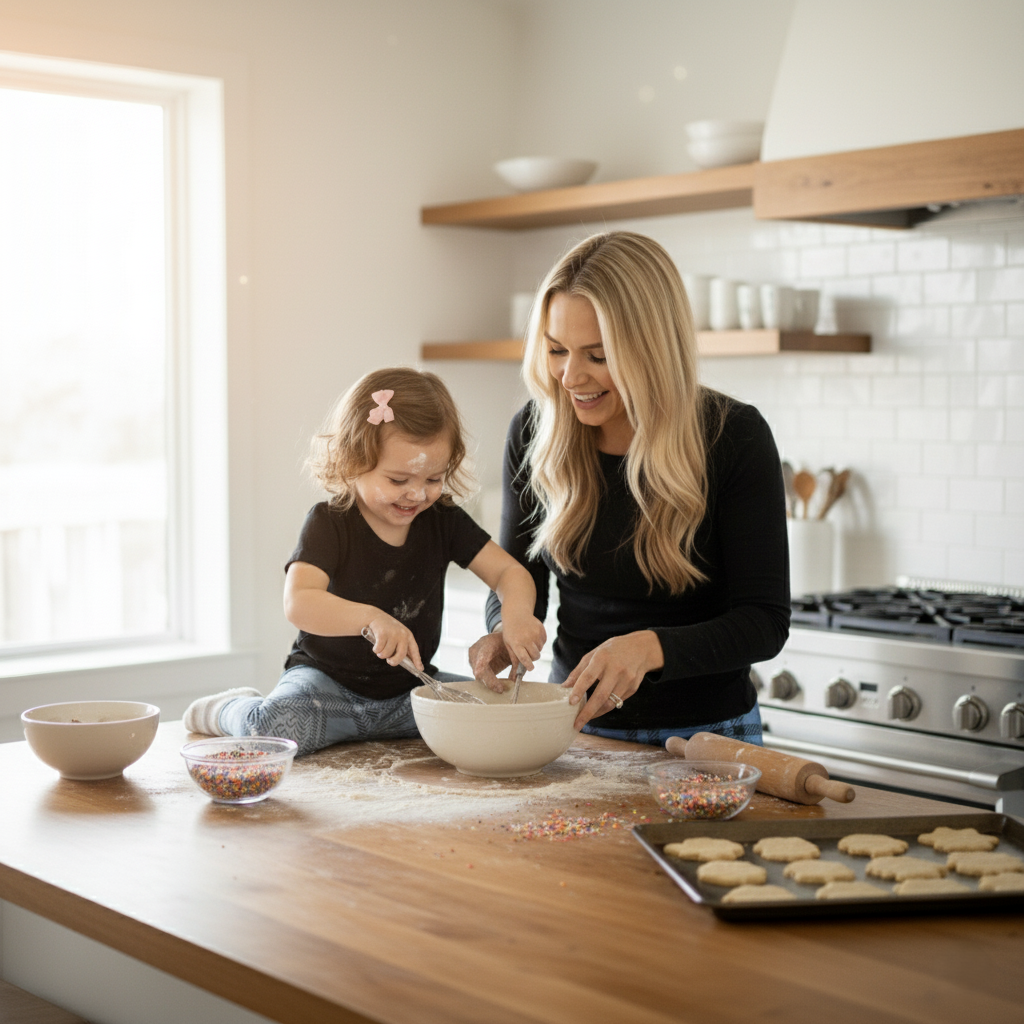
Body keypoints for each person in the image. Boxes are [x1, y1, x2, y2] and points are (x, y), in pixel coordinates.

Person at [469, 232, 789, 746]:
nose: (570, 376)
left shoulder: (734, 436)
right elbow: (514, 574)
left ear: (653, 349)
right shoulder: (534, 432)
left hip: (707, 740)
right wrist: (508, 626)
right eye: (556, 350)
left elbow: (764, 622)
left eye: (598, 355)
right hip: (575, 729)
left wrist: (648, 648)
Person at [184, 367, 546, 755]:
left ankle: (375, 727)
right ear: (354, 460)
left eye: (432, 479)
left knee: (497, 711)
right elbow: (299, 602)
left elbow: (509, 572)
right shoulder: (330, 521)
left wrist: (518, 616)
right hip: (326, 688)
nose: (417, 494)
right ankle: (232, 708)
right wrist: (370, 618)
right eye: (397, 480)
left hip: (411, 690)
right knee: (274, 727)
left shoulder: (443, 520)